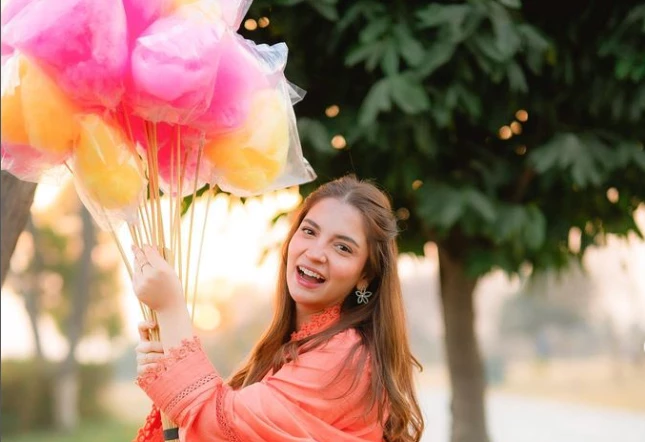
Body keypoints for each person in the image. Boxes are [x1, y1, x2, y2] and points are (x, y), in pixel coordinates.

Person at [131, 175, 425, 442]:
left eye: (342, 248)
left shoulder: (347, 356)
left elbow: (220, 426)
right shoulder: (290, 349)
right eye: (309, 231)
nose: (316, 253)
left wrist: (171, 308)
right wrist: (166, 357)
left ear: (365, 275)